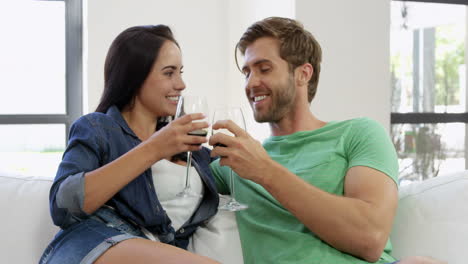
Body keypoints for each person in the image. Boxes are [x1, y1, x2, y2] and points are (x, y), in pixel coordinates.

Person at [209, 17, 447, 264]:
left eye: (264, 69)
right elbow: (176, 181)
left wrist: (266, 171)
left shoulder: (358, 134)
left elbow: (370, 237)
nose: (251, 83)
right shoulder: (237, 161)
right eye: (247, 72)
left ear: (303, 73)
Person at [39, 25, 220, 264]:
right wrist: (154, 148)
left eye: (180, 72)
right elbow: (63, 207)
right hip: (94, 244)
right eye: (169, 73)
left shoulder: (191, 150)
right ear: (135, 76)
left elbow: (238, 184)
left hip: (155, 247)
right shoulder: (97, 128)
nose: (181, 84)